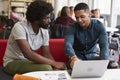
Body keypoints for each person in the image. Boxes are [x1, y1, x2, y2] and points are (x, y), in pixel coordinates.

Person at [3, 0, 66, 75]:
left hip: (27, 62)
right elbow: (28, 54)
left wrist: (55, 66)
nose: (49, 21)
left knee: (51, 67)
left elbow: (46, 54)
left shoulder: (44, 30)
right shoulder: (20, 27)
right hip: (12, 62)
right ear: (36, 19)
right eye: (46, 18)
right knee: (47, 68)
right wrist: (53, 64)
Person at [64, 3, 109, 69]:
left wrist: (103, 63)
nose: (79, 20)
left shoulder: (99, 26)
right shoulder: (72, 27)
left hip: (92, 57)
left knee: (112, 64)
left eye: (82, 17)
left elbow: (104, 45)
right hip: (76, 58)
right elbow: (68, 44)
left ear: (89, 15)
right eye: (77, 17)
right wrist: (73, 57)